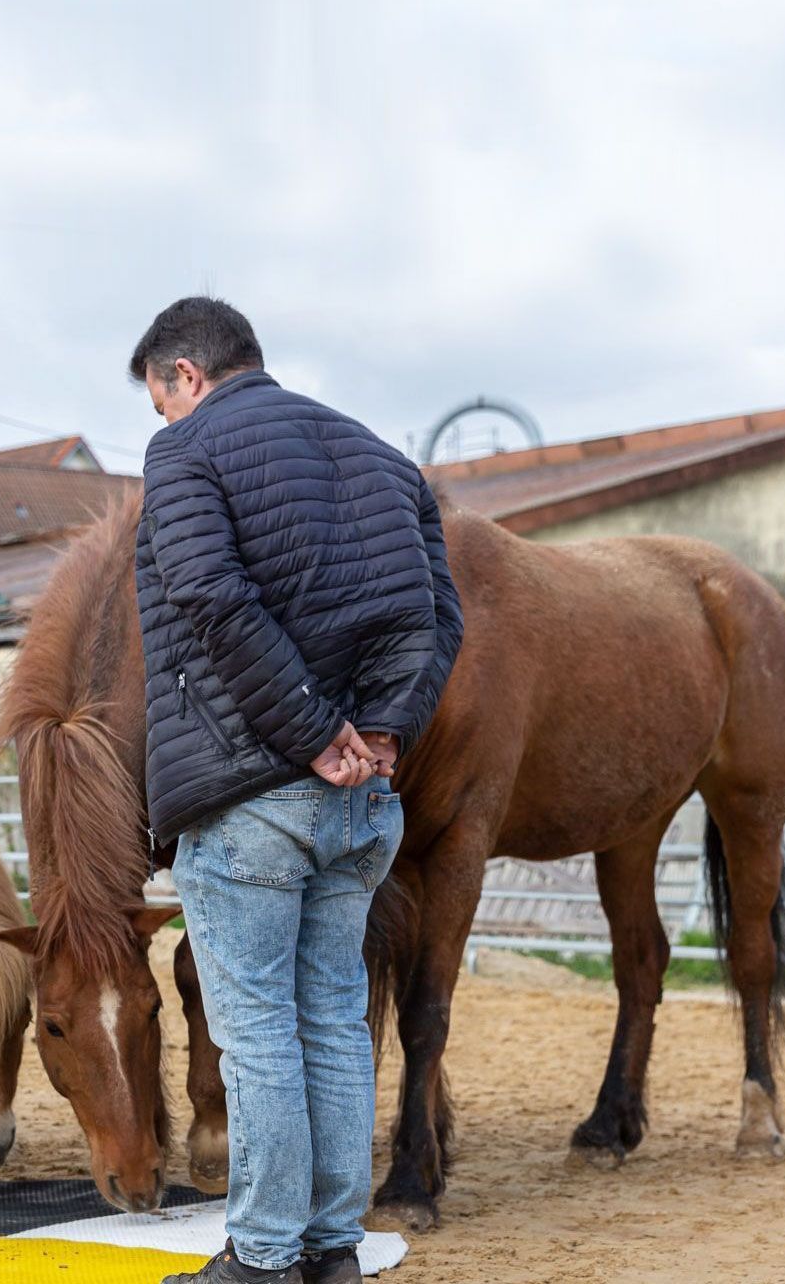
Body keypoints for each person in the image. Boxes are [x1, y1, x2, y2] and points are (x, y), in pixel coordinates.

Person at [132, 298, 462, 1284]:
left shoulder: (187, 453)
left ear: (185, 373)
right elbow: (440, 615)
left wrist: (315, 735)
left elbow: (210, 593)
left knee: (260, 1030)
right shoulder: (383, 458)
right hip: (365, 803)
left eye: (159, 400)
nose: (162, 421)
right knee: (332, 1018)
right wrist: (385, 730)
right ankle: (330, 1248)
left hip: (253, 792)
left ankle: (265, 1255)